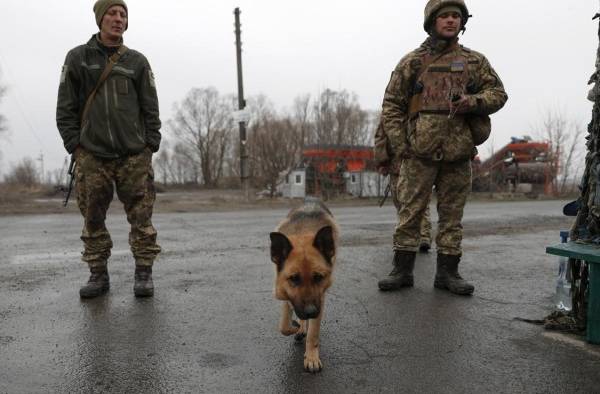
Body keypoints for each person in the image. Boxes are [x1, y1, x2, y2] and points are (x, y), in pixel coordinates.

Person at [377, 0, 507, 294]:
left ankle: (448, 274)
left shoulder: (475, 62)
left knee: (452, 216)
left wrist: (473, 102)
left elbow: (499, 94)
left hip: (458, 154)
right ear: (432, 20)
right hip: (418, 154)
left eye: (456, 16)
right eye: (445, 16)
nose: (451, 21)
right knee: (410, 213)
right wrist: (401, 145)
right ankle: (402, 271)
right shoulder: (412, 61)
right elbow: (391, 106)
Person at [56, 0, 162, 298]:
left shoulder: (137, 62)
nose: (118, 19)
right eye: (113, 14)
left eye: (123, 14)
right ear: (100, 19)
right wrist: (75, 146)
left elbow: (150, 107)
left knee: (142, 218)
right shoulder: (78, 58)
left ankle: (144, 273)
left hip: (133, 155)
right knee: (92, 219)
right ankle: (97, 275)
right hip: (92, 155)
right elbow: (65, 108)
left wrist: (149, 144)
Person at [374, 120, 433, 253]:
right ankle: (423, 236)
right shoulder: (422, 105)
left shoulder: (392, 111)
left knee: (402, 203)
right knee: (421, 201)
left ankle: (408, 238)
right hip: (418, 163)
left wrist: (382, 161)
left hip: (402, 164)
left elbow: (381, 137)